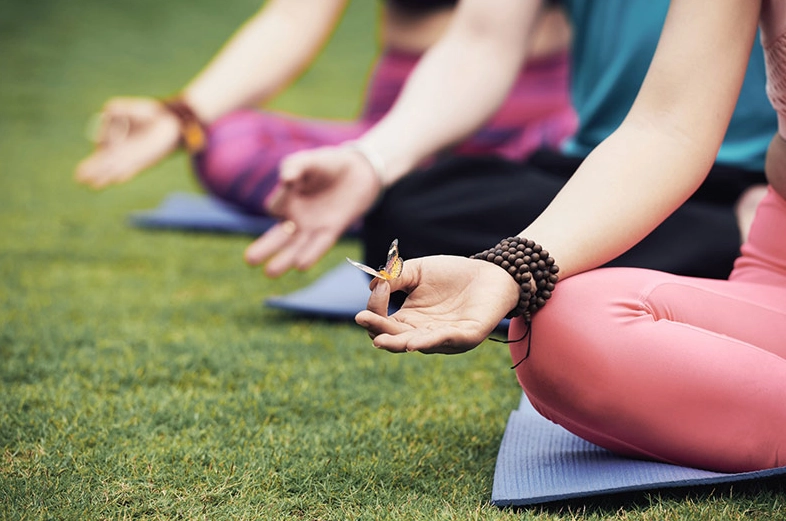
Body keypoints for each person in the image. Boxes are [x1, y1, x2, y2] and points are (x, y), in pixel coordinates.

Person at [354, 0, 786, 474]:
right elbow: (668, 130)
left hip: (731, 198)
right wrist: (506, 269)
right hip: (771, 264)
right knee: (556, 325)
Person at [245, 0, 776, 284]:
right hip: (607, 171)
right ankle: (730, 245)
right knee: (404, 216)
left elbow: (673, 129)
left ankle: (749, 235)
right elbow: (480, 44)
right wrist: (371, 160)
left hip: (758, 178)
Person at [74, 0, 576, 218]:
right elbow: (292, 19)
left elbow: (484, 46)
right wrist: (180, 116)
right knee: (226, 143)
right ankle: (377, 191)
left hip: (539, 123)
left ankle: (403, 199)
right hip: (400, 125)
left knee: (600, 152)